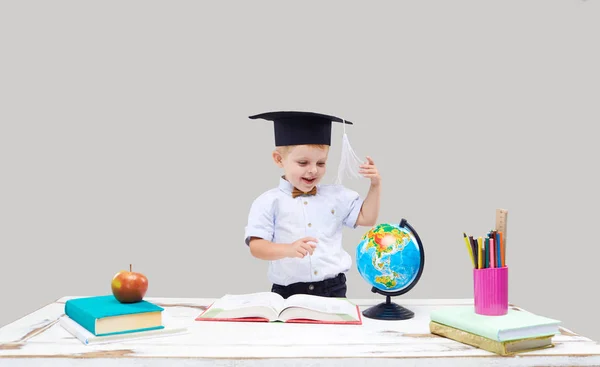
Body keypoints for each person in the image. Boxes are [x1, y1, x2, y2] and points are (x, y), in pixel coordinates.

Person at [244, 111, 381, 298]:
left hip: (332, 289)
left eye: (321, 163)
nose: (313, 170)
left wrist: (375, 185)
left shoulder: (336, 196)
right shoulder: (268, 202)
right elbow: (256, 247)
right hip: (287, 292)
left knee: (336, 328)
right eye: (303, 162)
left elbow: (367, 218)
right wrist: (288, 249)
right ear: (278, 159)